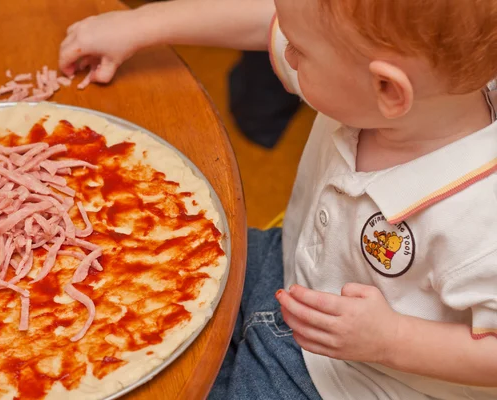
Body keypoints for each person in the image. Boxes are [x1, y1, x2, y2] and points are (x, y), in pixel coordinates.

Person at [58, 0, 497, 399]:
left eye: (300, 53)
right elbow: (272, 19)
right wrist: (139, 25)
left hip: (351, 381)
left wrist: (392, 340)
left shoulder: (480, 220)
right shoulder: (368, 83)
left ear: (388, 90)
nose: (287, 53)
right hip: (286, 265)